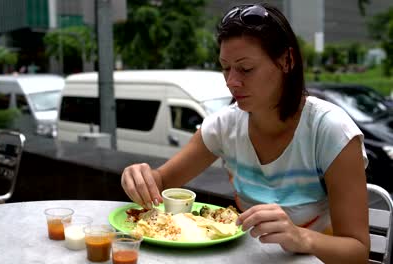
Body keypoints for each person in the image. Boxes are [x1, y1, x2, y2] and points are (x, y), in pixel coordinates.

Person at [121, 3, 369, 263]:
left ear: (287, 61)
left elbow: (358, 251)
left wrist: (300, 237)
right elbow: (161, 182)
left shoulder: (330, 130)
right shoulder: (224, 126)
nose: (231, 82)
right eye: (225, 68)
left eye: (246, 69)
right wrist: (140, 177)